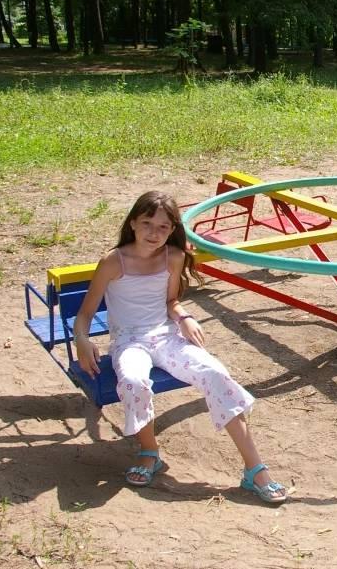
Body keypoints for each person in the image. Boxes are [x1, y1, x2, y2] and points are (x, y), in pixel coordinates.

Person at [74, 190, 287, 504]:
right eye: (147, 223)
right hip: (130, 341)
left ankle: (254, 469)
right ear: (132, 222)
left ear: (173, 229)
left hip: (166, 337)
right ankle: (149, 451)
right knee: (133, 380)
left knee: (215, 372)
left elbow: (170, 301)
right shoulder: (113, 262)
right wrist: (82, 339)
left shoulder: (172, 257)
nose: (154, 233)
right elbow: (85, 314)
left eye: (163, 227)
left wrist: (184, 317)